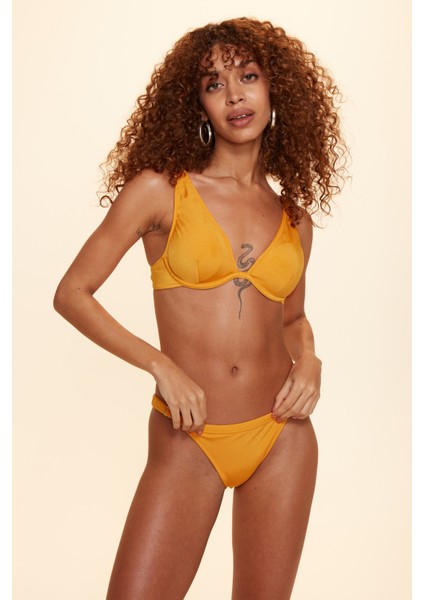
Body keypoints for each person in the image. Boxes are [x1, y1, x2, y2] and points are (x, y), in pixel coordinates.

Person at [54, 16, 347, 600]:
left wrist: (311, 360)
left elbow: (291, 319)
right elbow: (72, 293)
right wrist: (161, 366)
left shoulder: (294, 218)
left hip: (281, 436)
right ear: (198, 104)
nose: (234, 95)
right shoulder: (161, 191)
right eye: (215, 84)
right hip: (189, 436)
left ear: (276, 89)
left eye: (248, 76)